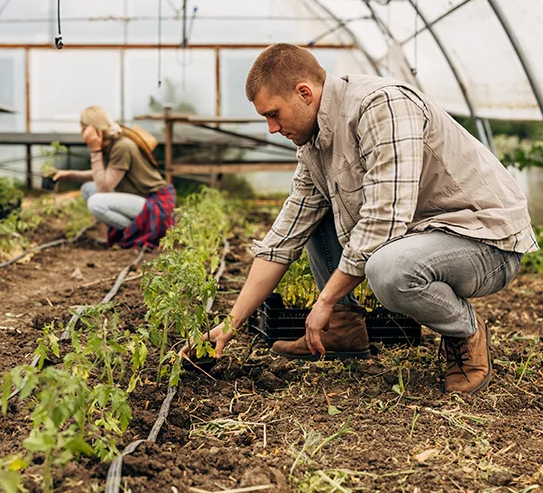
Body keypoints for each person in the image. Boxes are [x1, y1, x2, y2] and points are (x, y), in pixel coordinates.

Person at [182, 43, 539, 394]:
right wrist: (229, 325)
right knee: (317, 217)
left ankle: (466, 331)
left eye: (273, 114)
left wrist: (323, 302)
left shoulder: (382, 106)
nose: (272, 128)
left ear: (304, 93)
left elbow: (384, 220)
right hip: (425, 238)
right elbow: (284, 237)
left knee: (388, 270)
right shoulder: (314, 145)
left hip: (483, 239)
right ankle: (343, 330)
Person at [52, 106, 175, 248]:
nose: (82, 133)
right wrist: (70, 175)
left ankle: (135, 230)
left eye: (84, 128)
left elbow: (104, 186)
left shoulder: (121, 147)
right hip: (139, 197)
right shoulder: (111, 143)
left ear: (95, 129)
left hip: (154, 204)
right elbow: (104, 175)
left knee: (96, 203)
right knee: (88, 189)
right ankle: (128, 229)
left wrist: (95, 150)